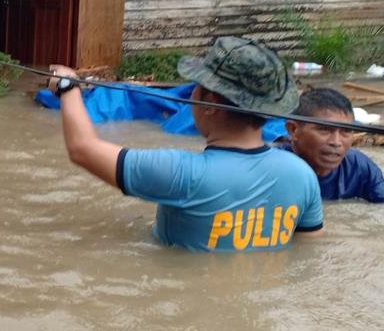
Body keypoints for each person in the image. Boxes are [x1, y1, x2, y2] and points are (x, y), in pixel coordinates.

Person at [49, 36, 323, 252]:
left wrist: (67, 86)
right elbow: (307, 252)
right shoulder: (302, 174)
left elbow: (82, 148)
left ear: (211, 103)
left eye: (196, 86)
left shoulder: (182, 172)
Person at [281, 88, 384, 203]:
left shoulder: (359, 168)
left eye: (346, 131)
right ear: (293, 129)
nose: (336, 142)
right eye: (324, 129)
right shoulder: (272, 169)